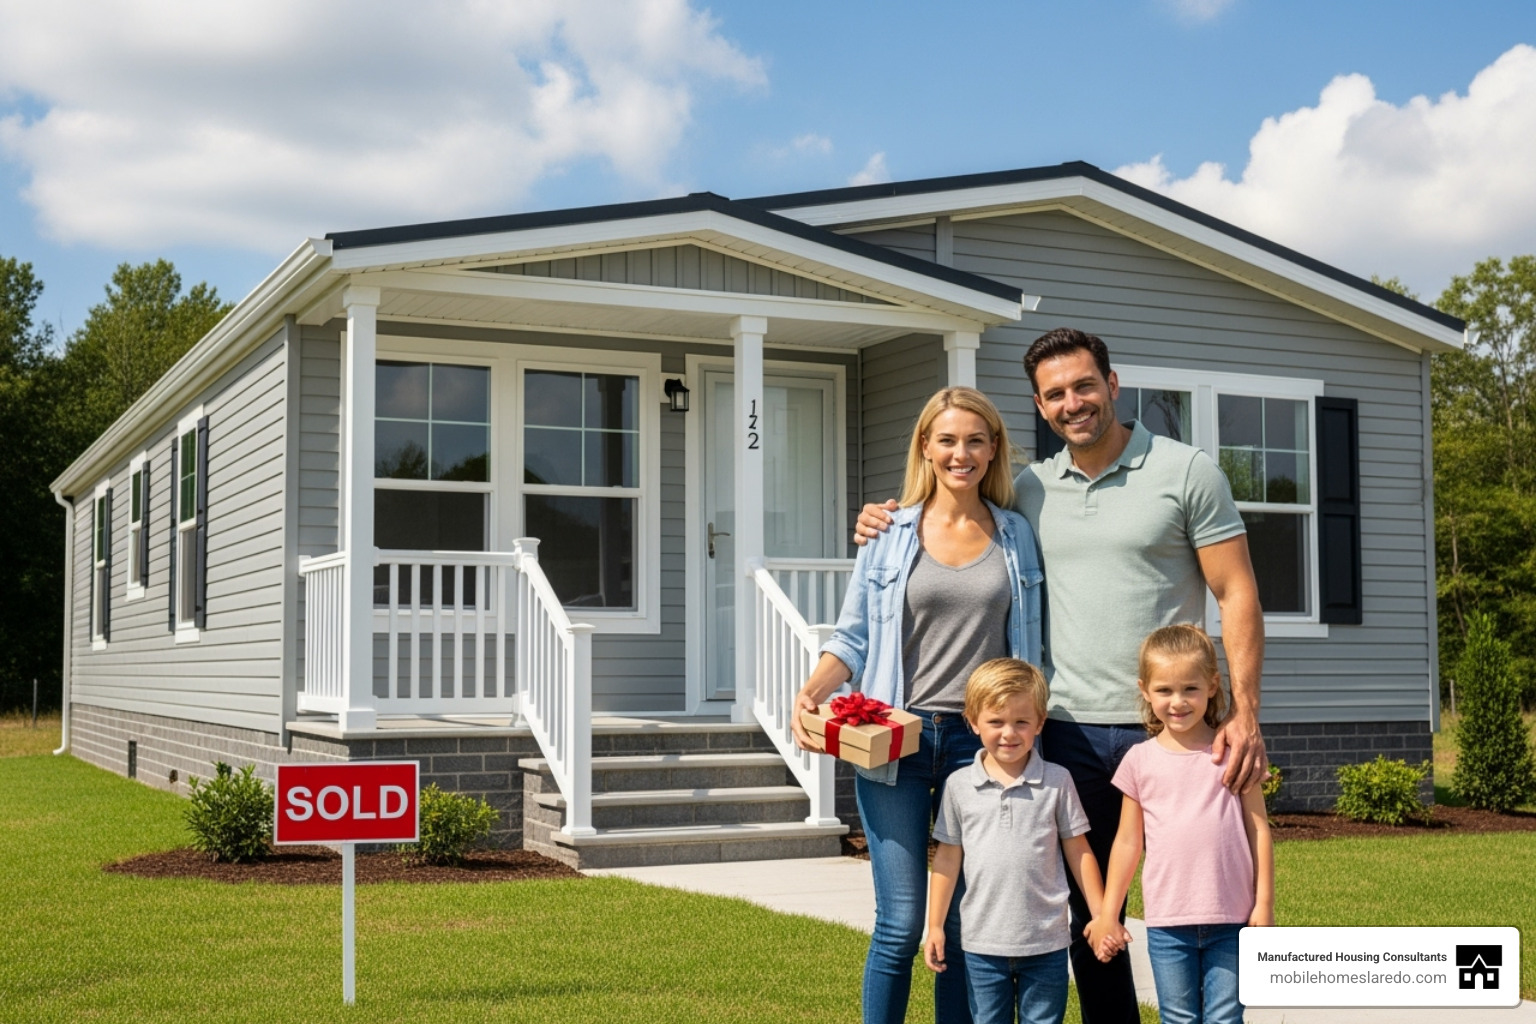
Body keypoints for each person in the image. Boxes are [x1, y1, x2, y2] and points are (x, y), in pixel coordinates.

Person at [856, 327, 1266, 1024]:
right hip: (1067, 731)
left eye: (1083, 385)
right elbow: (956, 514)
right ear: (1041, 409)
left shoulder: (1187, 471)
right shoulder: (1029, 491)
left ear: (1113, 383)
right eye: (1055, 395)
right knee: (1089, 921)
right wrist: (887, 519)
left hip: (1167, 735)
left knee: (1200, 908)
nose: (1072, 402)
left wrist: (1245, 711)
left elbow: (1237, 594)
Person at [791, 386, 1045, 1024]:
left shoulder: (1015, 535)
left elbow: (1033, 645)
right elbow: (853, 635)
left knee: (960, 922)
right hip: (895, 740)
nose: (962, 453)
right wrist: (812, 690)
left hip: (978, 744)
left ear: (993, 449)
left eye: (976, 440)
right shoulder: (889, 530)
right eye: (949, 440)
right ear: (926, 448)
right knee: (902, 923)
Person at [1087, 625, 1274, 1024]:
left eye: (1190, 689)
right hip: (1168, 924)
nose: (1178, 702)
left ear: (1212, 685)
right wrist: (1108, 913)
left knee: (1226, 1018)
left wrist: (1264, 903)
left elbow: (1259, 830)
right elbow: (1126, 843)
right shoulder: (1139, 761)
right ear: (1144, 690)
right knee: (1178, 1019)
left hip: (1233, 918)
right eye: (1165, 690)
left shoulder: (1234, 753)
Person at [924, 658, 1108, 1024]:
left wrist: (1102, 914)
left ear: (1040, 723)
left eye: (1021, 722)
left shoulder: (1058, 781)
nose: (1009, 733)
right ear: (973, 721)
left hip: (1047, 943)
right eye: (996, 722)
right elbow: (946, 859)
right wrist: (935, 926)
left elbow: (1079, 851)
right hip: (981, 944)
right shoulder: (959, 786)